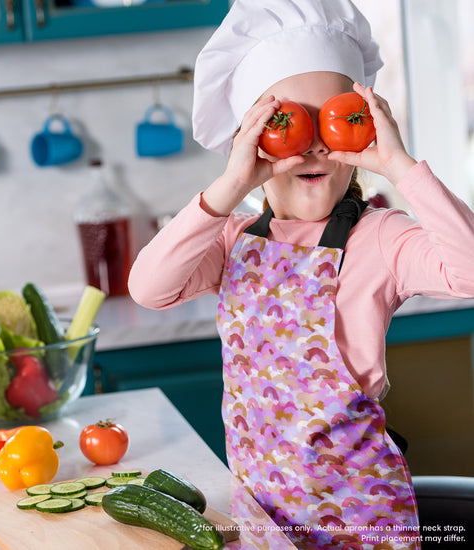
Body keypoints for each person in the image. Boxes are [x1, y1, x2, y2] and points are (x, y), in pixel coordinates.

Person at [128, 0, 474, 548]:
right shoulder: (231, 237)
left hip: (364, 524)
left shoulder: (379, 237)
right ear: (251, 138)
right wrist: (230, 186)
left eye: (335, 121)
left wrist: (400, 166)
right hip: (261, 517)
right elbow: (148, 288)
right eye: (288, 122)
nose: (313, 143)